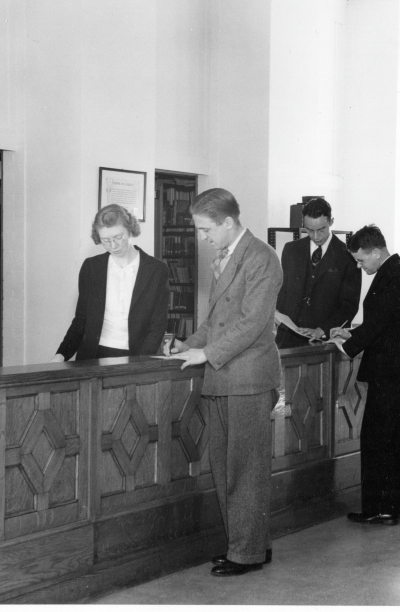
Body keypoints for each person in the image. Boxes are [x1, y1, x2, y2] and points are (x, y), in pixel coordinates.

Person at [166, 188, 282, 577]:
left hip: (247, 378)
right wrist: (188, 345)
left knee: (244, 470)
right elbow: (216, 323)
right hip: (224, 378)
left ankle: (245, 552)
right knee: (225, 467)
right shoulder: (226, 256)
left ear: (229, 222)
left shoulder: (262, 258)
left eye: (205, 230)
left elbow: (251, 322)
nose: (203, 238)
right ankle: (248, 545)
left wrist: (206, 354)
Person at [329, 224, 400, 526]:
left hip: (391, 370)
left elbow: (380, 322)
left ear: (377, 252)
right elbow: (386, 321)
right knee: (396, 438)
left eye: (361, 259)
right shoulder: (397, 271)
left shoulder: (393, 274)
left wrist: (346, 345)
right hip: (398, 368)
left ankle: (380, 508)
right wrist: (353, 331)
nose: (359, 265)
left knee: (378, 439)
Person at [52, 204, 169, 362]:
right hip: (92, 354)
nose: (113, 246)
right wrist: (61, 355)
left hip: (135, 355)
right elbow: (81, 319)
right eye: (106, 241)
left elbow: (157, 325)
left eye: (118, 237)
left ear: (129, 230)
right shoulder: (92, 267)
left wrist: (141, 361)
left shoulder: (156, 269)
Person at [274, 198, 361, 348]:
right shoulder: (291, 250)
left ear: (331, 221)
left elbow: (349, 306)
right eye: (309, 230)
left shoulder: (347, 256)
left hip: (323, 342)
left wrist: (321, 330)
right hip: (287, 339)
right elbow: (283, 293)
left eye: (321, 230)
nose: (316, 236)